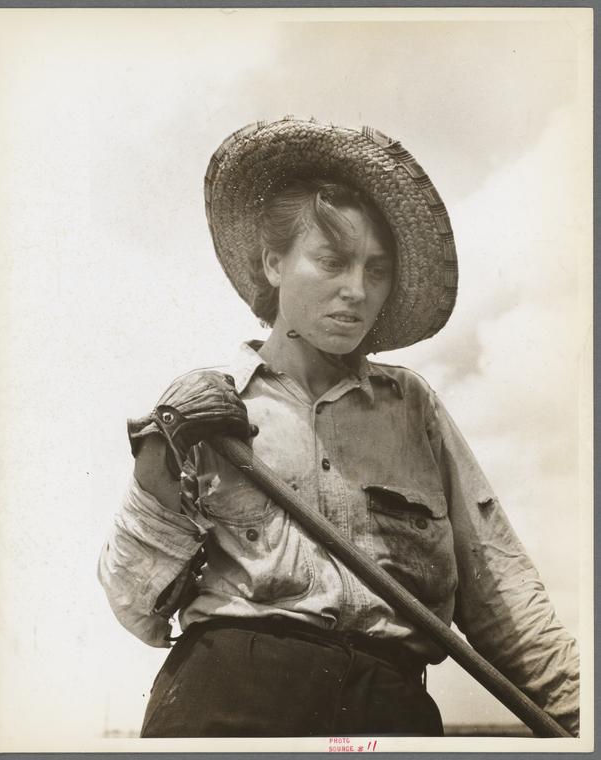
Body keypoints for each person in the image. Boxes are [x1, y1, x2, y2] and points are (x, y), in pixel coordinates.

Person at [98, 117, 579, 738]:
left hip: (388, 717)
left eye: (375, 270)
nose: (356, 290)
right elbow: (136, 611)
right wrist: (160, 461)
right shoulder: (202, 411)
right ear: (274, 262)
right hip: (227, 709)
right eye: (331, 260)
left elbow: (505, 600)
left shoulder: (414, 409)